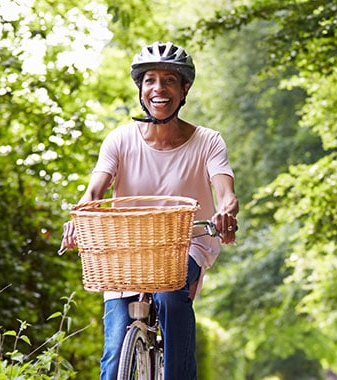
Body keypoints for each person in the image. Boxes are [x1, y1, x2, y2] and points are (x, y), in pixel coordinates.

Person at [59, 41, 239, 380]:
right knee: (114, 351)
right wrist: (78, 220)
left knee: (171, 298)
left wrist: (226, 214)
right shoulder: (120, 139)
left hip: (186, 243)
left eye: (169, 80)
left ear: (184, 89)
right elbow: (94, 192)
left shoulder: (208, 141)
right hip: (126, 250)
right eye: (150, 80)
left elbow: (226, 193)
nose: (159, 89)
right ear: (141, 89)